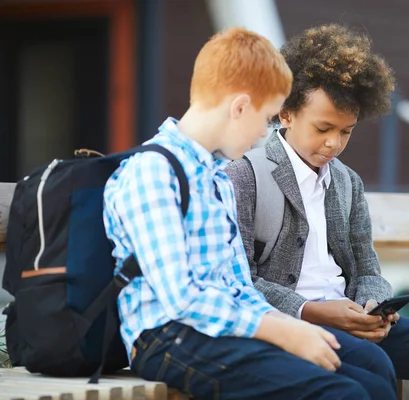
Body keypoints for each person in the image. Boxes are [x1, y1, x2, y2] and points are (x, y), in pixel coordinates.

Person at [226, 23, 409, 399]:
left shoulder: (347, 182)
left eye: (346, 131)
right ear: (287, 113)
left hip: (354, 322)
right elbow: (238, 281)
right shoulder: (244, 175)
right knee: (374, 372)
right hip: (291, 327)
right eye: (324, 128)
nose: (333, 144)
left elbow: (367, 268)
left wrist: (373, 305)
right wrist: (312, 310)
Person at [103, 27, 378, 400]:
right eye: (266, 118)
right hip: (169, 337)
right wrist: (279, 330)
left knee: (371, 377)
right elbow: (182, 298)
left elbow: (237, 287)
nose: (265, 135)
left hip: (225, 329)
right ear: (240, 107)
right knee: (343, 393)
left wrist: (290, 323)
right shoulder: (153, 172)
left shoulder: (213, 176)